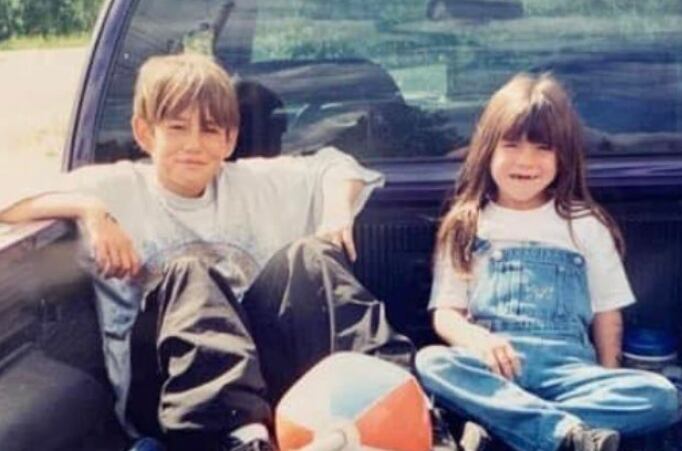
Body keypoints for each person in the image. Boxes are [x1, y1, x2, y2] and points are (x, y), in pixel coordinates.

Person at [0, 53, 402, 451]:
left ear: (229, 140)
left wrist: (336, 213)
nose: (193, 144)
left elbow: (337, 165)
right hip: (166, 396)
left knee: (310, 257)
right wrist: (88, 210)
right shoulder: (115, 188)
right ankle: (233, 440)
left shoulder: (253, 183)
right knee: (191, 271)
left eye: (210, 130)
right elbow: (8, 200)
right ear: (144, 133)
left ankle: (395, 403)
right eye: (176, 128)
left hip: (261, 384)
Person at [414, 73, 682, 451]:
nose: (526, 160)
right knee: (432, 362)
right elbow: (446, 314)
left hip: (571, 374)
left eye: (543, 148)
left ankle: (515, 425)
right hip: (495, 373)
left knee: (663, 396)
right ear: (487, 149)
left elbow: (608, 315)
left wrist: (607, 375)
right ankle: (562, 434)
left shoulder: (585, 224)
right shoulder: (466, 224)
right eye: (511, 145)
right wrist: (477, 339)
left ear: (564, 155)